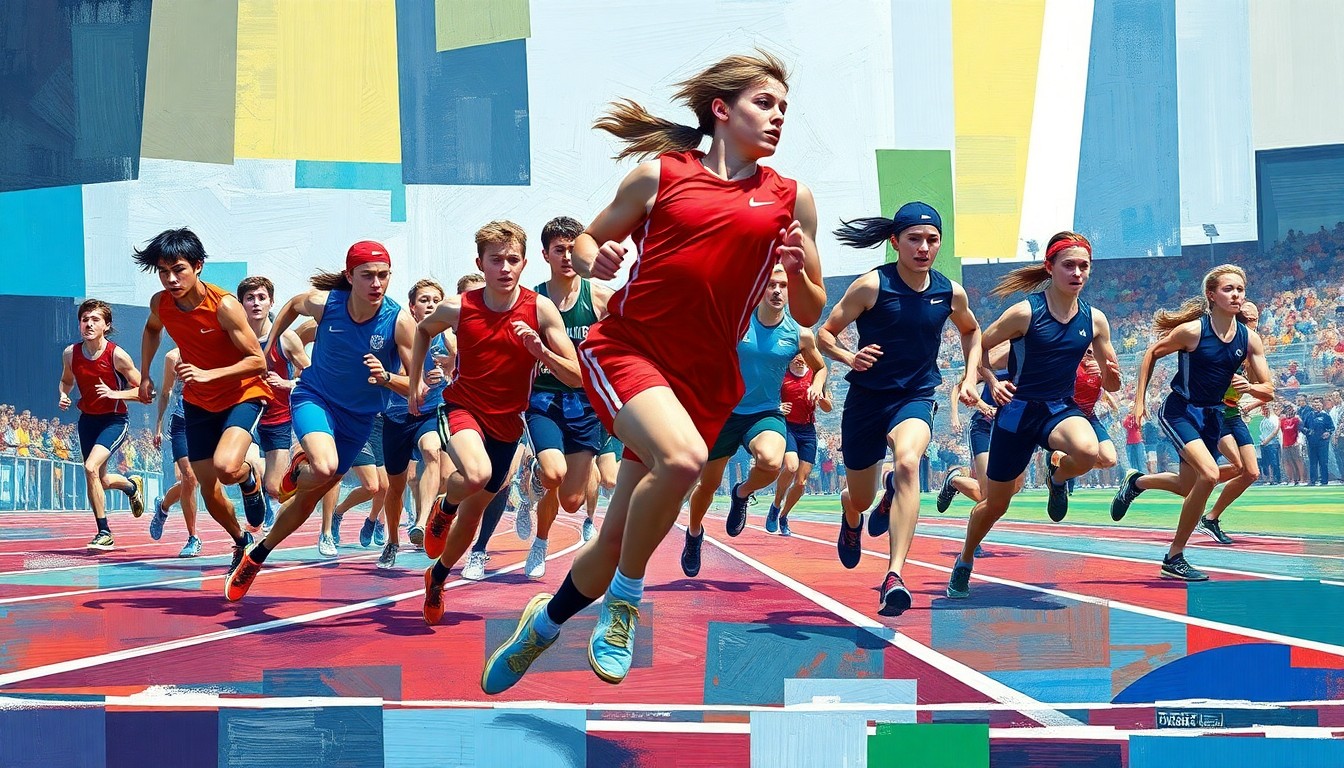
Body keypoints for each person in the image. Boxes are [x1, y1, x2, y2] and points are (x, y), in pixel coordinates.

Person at [481, 51, 825, 693]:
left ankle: (542, 627)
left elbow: (810, 308)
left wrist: (799, 266)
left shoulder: (791, 198)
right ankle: (625, 604)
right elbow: (590, 239)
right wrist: (598, 257)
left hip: (707, 380)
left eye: (784, 107)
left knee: (616, 538)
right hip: (632, 350)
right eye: (764, 103)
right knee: (685, 461)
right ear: (721, 110)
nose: (779, 116)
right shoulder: (660, 174)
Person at [224, 240, 414, 600]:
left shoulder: (399, 322)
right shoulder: (326, 303)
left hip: (359, 419)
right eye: (368, 275)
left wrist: (388, 378)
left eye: (383, 275)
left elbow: (414, 387)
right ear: (350, 276)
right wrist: (269, 346)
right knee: (324, 468)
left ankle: (257, 555)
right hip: (316, 398)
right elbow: (292, 305)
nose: (377, 283)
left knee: (307, 501)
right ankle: (301, 467)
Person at [410, 220, 581, 622]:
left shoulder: (539, 309)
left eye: (513, 260)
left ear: (524, 264)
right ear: (480, 264)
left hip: (507, 424)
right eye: (496, 260)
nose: (505, 268)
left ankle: (437, 576)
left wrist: (541, 352)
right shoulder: (459, 307)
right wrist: (415, 382)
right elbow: (422, 331)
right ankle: (444, 507)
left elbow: (576, 375)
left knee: (472, 517)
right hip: (462, 408)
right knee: (475, 473)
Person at [817, 201, 981, 616]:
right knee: (861, 497)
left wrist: (970, 376)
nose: (923, 248)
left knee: (908, 462)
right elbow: (826, 334)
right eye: (914, 239)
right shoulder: (872, 286)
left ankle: (894, 576)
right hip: (867, 401)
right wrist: (849, 357)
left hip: (916, 395)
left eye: (932, 240)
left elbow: (971, 330)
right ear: (895, 242)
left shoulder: (949, 292)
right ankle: (853, 513)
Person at [946, 231, 1121, 599]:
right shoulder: (1026, 312)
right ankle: (964, 560)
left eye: (1084, 266)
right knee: (995, 503)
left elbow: (1112, 382)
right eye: (1069, 265)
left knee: (1089, 450)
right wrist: (990, 381)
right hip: (1018, 412)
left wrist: (1110, 375)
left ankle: (1057, 478)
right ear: (1050, 268)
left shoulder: (1096, 320)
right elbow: (979, 347)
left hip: (1059, 407)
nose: (1077, 273)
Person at [1109, 265, 1273, 581]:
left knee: (1188, 486)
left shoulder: (1250, 339)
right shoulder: (1193, 332)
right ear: (1211, 295)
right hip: (1180, 411)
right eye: (1228, 289)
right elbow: (1152, 353)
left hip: (1212, 416)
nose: (1236, 295)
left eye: (1240, 289)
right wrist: (1139, 400)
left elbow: (1268, 389)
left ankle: (1137, 483)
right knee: (1209, 474)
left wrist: (1250, 388)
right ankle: (1174, 556)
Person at [135, 229, 272, 574]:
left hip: (242, 394)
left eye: (178, 270)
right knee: (208, 490)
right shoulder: (161, 303)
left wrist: (209, 374)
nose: (170, 279)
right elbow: (152, 329)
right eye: (163, 272)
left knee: (227, 468)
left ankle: (248, 479)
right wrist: (145, 374)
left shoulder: (224, 306)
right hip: (198, 402)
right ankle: (241, 541)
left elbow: (257, 361)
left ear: (197, 266)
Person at [682, 265, 826, 576]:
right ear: (759, 289)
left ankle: (742, 493)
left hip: (765, 412)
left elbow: (821, 367)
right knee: (708, 485)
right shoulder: (735, 322)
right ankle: (694, 534)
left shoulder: (799, 334)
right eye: (771, 285)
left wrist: (817, 384)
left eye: (783, 286)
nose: (777, 291)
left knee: (773, 462)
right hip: (724, 413)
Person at [523, 216, 613, 579]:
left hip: (586, 405)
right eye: (559, 250)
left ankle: (536, 473)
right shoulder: (531, 300)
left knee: (572, 501)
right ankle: (541, 541)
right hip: (544, 402)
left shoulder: (601, 299)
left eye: (573, 249)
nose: (567, 257)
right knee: (552, 473)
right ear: (545, 255)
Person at [375, 278, 452, 569]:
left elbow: (461, 366)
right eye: (424, 300)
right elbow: (386, 377)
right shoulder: (396, 336)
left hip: (430, 413)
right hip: (396, 418)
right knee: (395, 487)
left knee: (432, 451)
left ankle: (421, 522)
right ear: (412, 307)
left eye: (436, 300)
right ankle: (392, 541)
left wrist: (447, 373)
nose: (430, 305)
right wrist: (395, 379)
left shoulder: (447, 338)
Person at [58, 299, 146, 549]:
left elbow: (145, 391)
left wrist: (115, 394)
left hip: (114, 420)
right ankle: (131, 486)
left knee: (90, 467)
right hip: (88, 421)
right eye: (84, 319)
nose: (89, 324)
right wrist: (63, 394)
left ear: (106, 325)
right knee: (102, 479)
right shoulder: (70, 353)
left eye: (95, 319)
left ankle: (104, 532)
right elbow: (66, 381)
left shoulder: (117, 355)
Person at [238, 276, 310, 534]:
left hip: (278, 419)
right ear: (241, 304)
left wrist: (287, 383)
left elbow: (312, 375)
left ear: (271, 302)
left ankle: (268, 489)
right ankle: (252, 487)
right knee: (240, 465)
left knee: (274, 488)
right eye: (250, 298)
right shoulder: (235, 338)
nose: (256, 303)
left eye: (261, 298)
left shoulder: (285, 338)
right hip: (247, 415)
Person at [1197, 301, 1263, 544]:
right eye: (1248, 319)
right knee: (1236, 466)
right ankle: (1200, 483)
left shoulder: (1252, 347)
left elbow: (1261, 385)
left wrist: (1251, 369)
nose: (1252, 324)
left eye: (1255, 319)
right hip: (1215, 412)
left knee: (1251, 472)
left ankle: (1210, 518)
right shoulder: (1224, 342)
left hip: (1233, 414)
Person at [766, 350, 832, 537]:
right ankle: (776, 504)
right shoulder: (781, 375)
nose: (800, 359)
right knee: (791, 466)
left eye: (803, 356)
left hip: (808, 431)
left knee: (801, 483)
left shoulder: (816, 376)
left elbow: (828, 408)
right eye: (796, 356)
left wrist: (820, 396)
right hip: (787, 427)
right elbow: (767, 401)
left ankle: (783, 516)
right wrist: (777, 408)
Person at [150, 348, 202, 556]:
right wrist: (158, 426)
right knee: (189, 477)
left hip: (206, 423)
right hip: (181, 422)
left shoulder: (212, 348)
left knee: (194, 481)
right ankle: (193, 537)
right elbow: (165, 393)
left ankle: (163, 506)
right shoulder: (173, 357)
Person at [1304, 395, 1335, 486]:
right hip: (1311, 442)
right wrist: (1307, 431)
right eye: (1315, 403)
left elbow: (1332, 427)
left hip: (1322, 442)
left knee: (1323, 461)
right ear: (1312, 405)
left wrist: (1328, 432)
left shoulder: (1325, 415)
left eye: (1318, 403)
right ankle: (1313, 480)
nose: (1316, 405)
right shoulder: (1309, 415)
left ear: (1321, 405)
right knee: (1313, 462)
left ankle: (1324, 481)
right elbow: (1303, 427)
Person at [1258, 401, 1282, 485]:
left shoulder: (1275, 418)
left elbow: (1275, 432)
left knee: (1274, 462)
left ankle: (1276, 479)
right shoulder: (1263, 420)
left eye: (1267, 408)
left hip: (1273, 444)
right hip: (1264, 444)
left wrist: (1267, 440)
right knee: (1265, 462)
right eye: (1263, 409)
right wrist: (1263, 441)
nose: (1265, 410)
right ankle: (1268, 479)